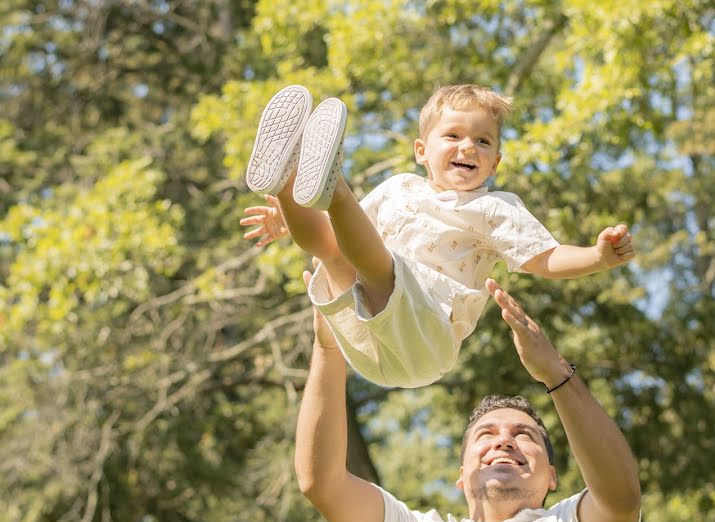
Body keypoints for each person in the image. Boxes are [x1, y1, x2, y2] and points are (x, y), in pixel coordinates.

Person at [240, 84, 635, 388]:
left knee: (383, 271)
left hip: (424, 341)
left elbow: (545, 258)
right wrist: (289, 218)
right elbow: (342, 236)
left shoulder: (494, 208)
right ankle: (287, 183)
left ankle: (334, 184)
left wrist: (597, 257)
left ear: (495, 163)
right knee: (333, 254)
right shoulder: (399, 189)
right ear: (421, 151)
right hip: (361, 337)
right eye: (454, 136)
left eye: (483, 141)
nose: (469, 146)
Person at [295, 272, 642, 522]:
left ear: (552, 476)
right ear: (461, 475)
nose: (504, 441)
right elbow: (322, 483)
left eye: (525, 436)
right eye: (486, 434)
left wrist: (555, 372)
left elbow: (621, 498)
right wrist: (328, 346)